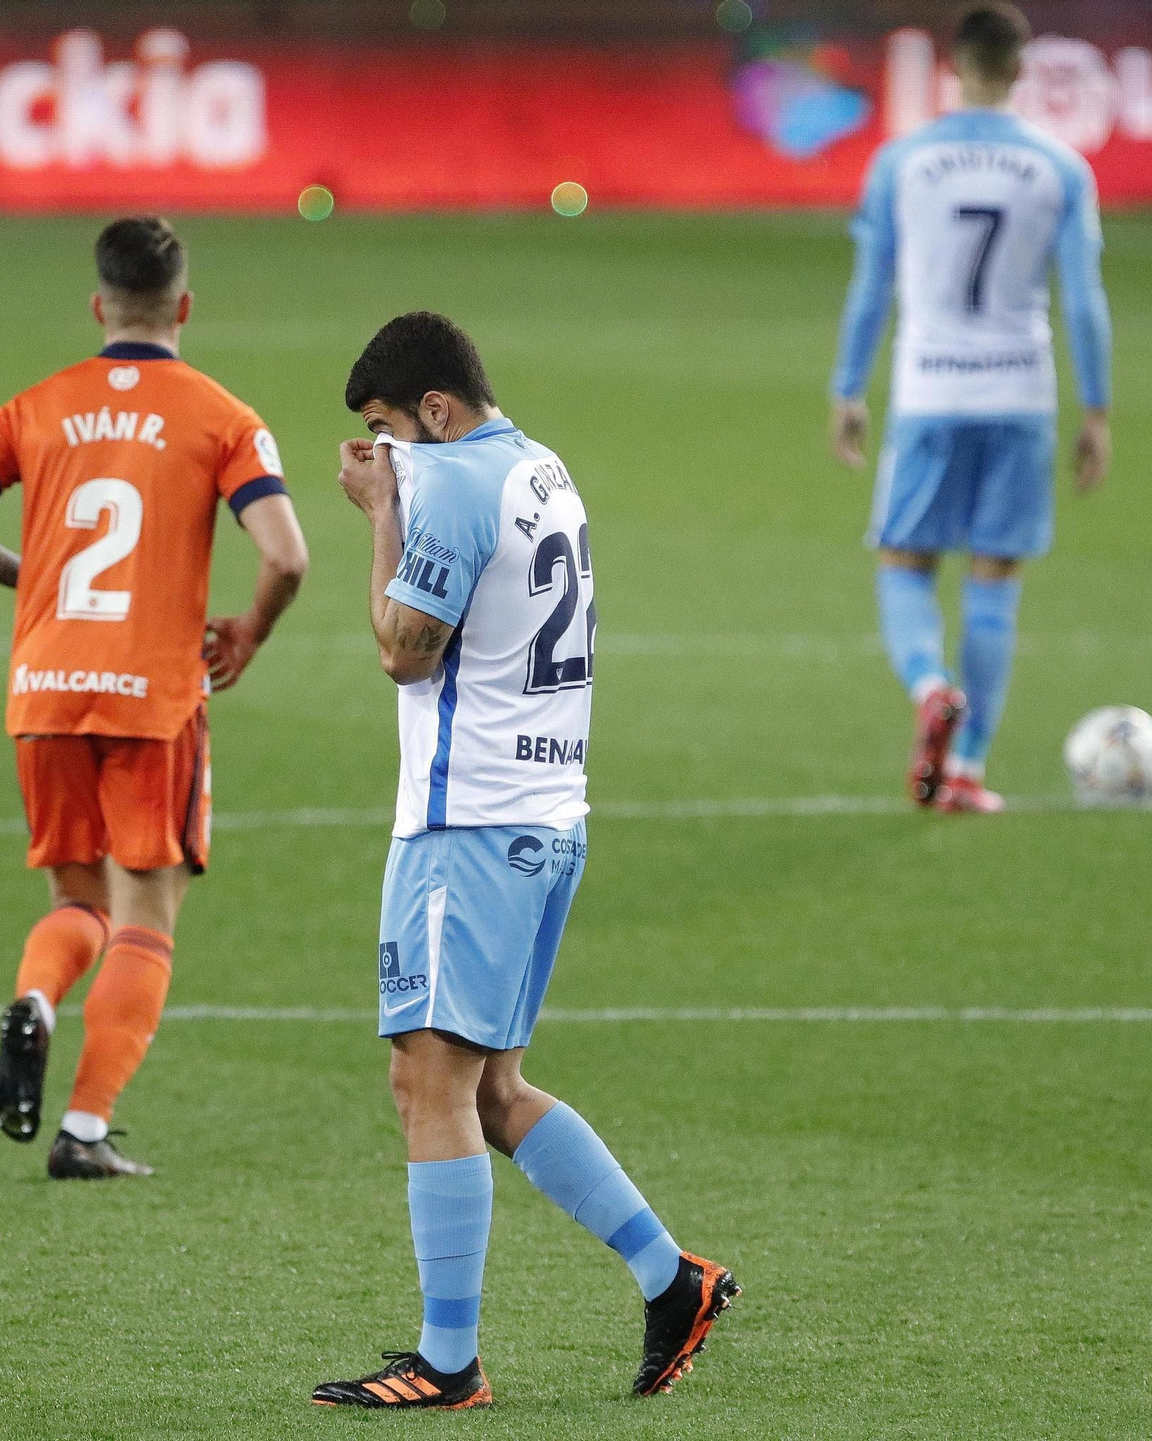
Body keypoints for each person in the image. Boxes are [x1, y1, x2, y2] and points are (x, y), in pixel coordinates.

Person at [314, 312, 736, 1410]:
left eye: (386, 429)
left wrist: (379, 518)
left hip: (470, 822)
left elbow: (406, 652)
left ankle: (447, 1363)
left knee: (427, 1082)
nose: (383, 451)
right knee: (489, 1088)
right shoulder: (540, 467)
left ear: (437, 411)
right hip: (546, 815)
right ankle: (670, 1278)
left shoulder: (449, 483)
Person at [0, 217, 308, 1178]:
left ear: (98, 305)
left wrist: (30, 576)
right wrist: (248, 628)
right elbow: (287, 554)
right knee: (145, 916)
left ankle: (38, 1000)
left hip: (44, 685)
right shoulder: (221, 415)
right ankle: (84, 1129)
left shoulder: (37, 406)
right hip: (151, 695)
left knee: (75, 898)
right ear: (185, 306)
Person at [829, 1, 1113, 813]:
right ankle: (968, 771)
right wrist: (1096, 408)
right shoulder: (1059, 167)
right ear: (1021, 73)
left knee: (904, 563)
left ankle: (929, 686)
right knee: (995, 582)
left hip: (930, 392)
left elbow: (871, 285)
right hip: (1020, 394)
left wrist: (849, 387)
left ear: (955, 70)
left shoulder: (901, 163)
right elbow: (1085, 301)